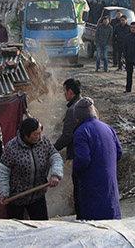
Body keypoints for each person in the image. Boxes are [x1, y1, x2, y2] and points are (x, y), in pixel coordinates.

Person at [0, 117, 63, 220]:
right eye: (35, 134)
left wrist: (56, 174)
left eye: (39, 133)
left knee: (41, 228)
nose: (38, 137)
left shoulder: (44, 142)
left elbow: (55, 157)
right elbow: (3, 171)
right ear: (25, 134)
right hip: (16, 198)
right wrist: (4, 193)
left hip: (38, 195)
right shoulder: (12, 148)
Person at [73, 97, 122, 220]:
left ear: (78, 118)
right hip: (110, 183)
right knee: (112, 222)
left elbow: (83, 160)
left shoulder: (81, 131)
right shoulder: (108, 128)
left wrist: (75, 173)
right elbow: (119, 152)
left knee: (94, 226)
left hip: (91, 186)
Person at [53, 78, 82, 218]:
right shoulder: (85, 105)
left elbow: (67, 137)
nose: (63, 94)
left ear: (70, 92)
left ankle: (80, 215)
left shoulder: (73, 110)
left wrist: (52, 149)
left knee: (78, 188)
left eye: (64, 91)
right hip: (85, 153)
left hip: (77, 155)